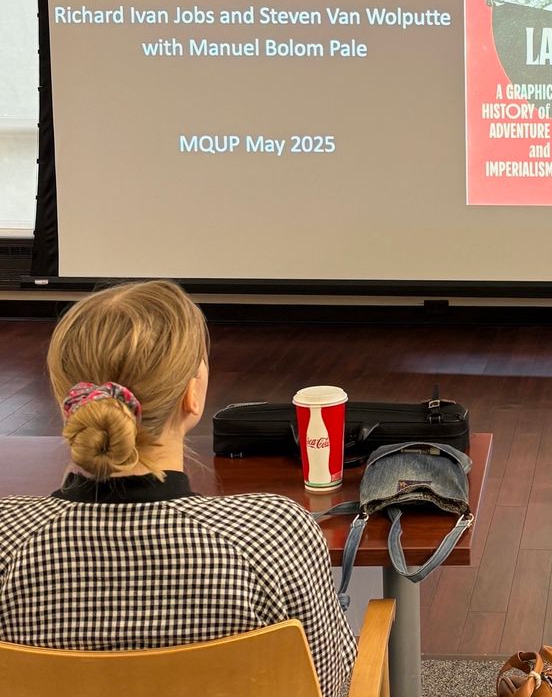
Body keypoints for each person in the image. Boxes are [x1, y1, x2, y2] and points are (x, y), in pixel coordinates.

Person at [0, 280, 356, 696]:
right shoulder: (275, 535)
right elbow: (329, 685)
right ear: (192, 395)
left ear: (70, 404)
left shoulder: (8, 542)